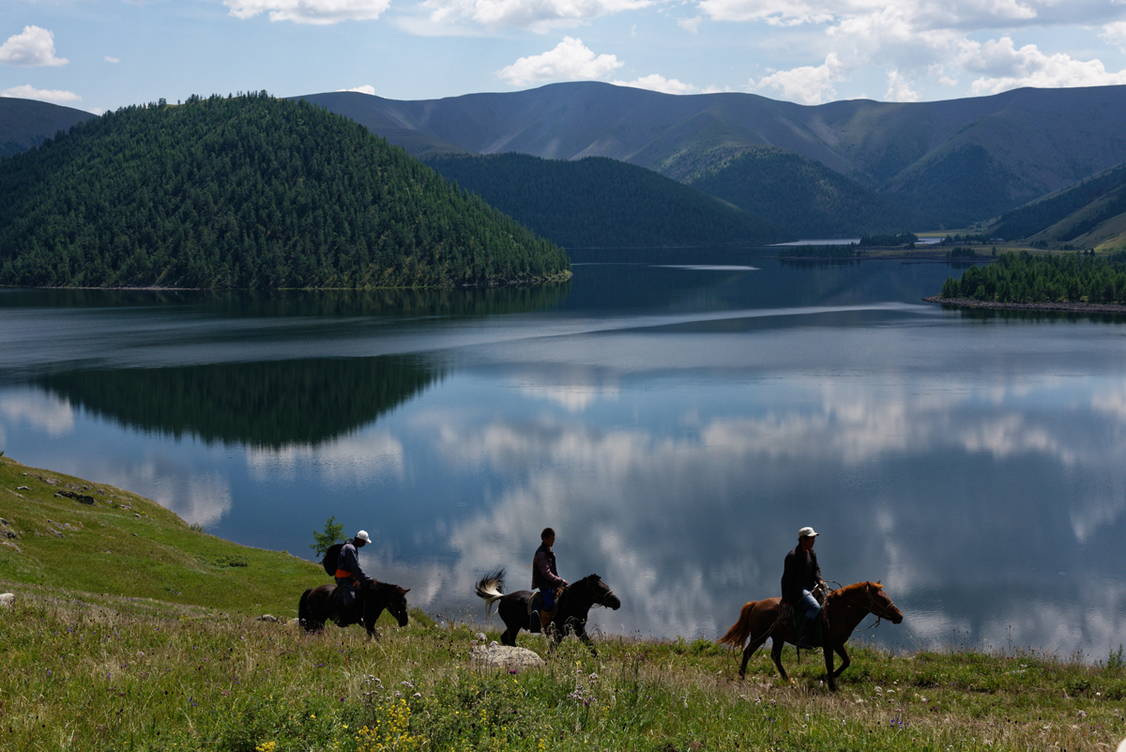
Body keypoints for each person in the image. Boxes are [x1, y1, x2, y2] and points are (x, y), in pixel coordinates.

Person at [781, 526, 825, 648]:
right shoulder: (792, 556)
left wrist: (820, 579)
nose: (813, 541)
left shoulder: (812, 553)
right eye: (811, 539)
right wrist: (787, 600)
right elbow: (786, 579)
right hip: (798, 591)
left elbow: (816, 569)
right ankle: (803, 637)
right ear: (803, 540)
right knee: (815, 608)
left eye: (813, 539)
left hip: (811, 588)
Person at [531, 527, 567, 634]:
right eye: (552, 538)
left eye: (554, 538)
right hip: (544, 585)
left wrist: (560, 582)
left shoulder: (550, 552)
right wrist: (560, 580)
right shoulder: (541, 553)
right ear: (545, 539)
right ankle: (545, 626)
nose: (553, 541)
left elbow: (554, 572)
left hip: (551, 583)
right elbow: (546, 573)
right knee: (549, 603)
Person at [334, 529, 374, 621]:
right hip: (343, 578)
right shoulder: (350, 549)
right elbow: (355, 567)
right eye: (364, 542)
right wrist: (366, 578)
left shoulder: (352, 547)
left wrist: (359, 579)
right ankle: (342, 618)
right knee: (351, 599)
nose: (364, 544)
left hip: (349, 577)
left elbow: (354, 568)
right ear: (359, 540)